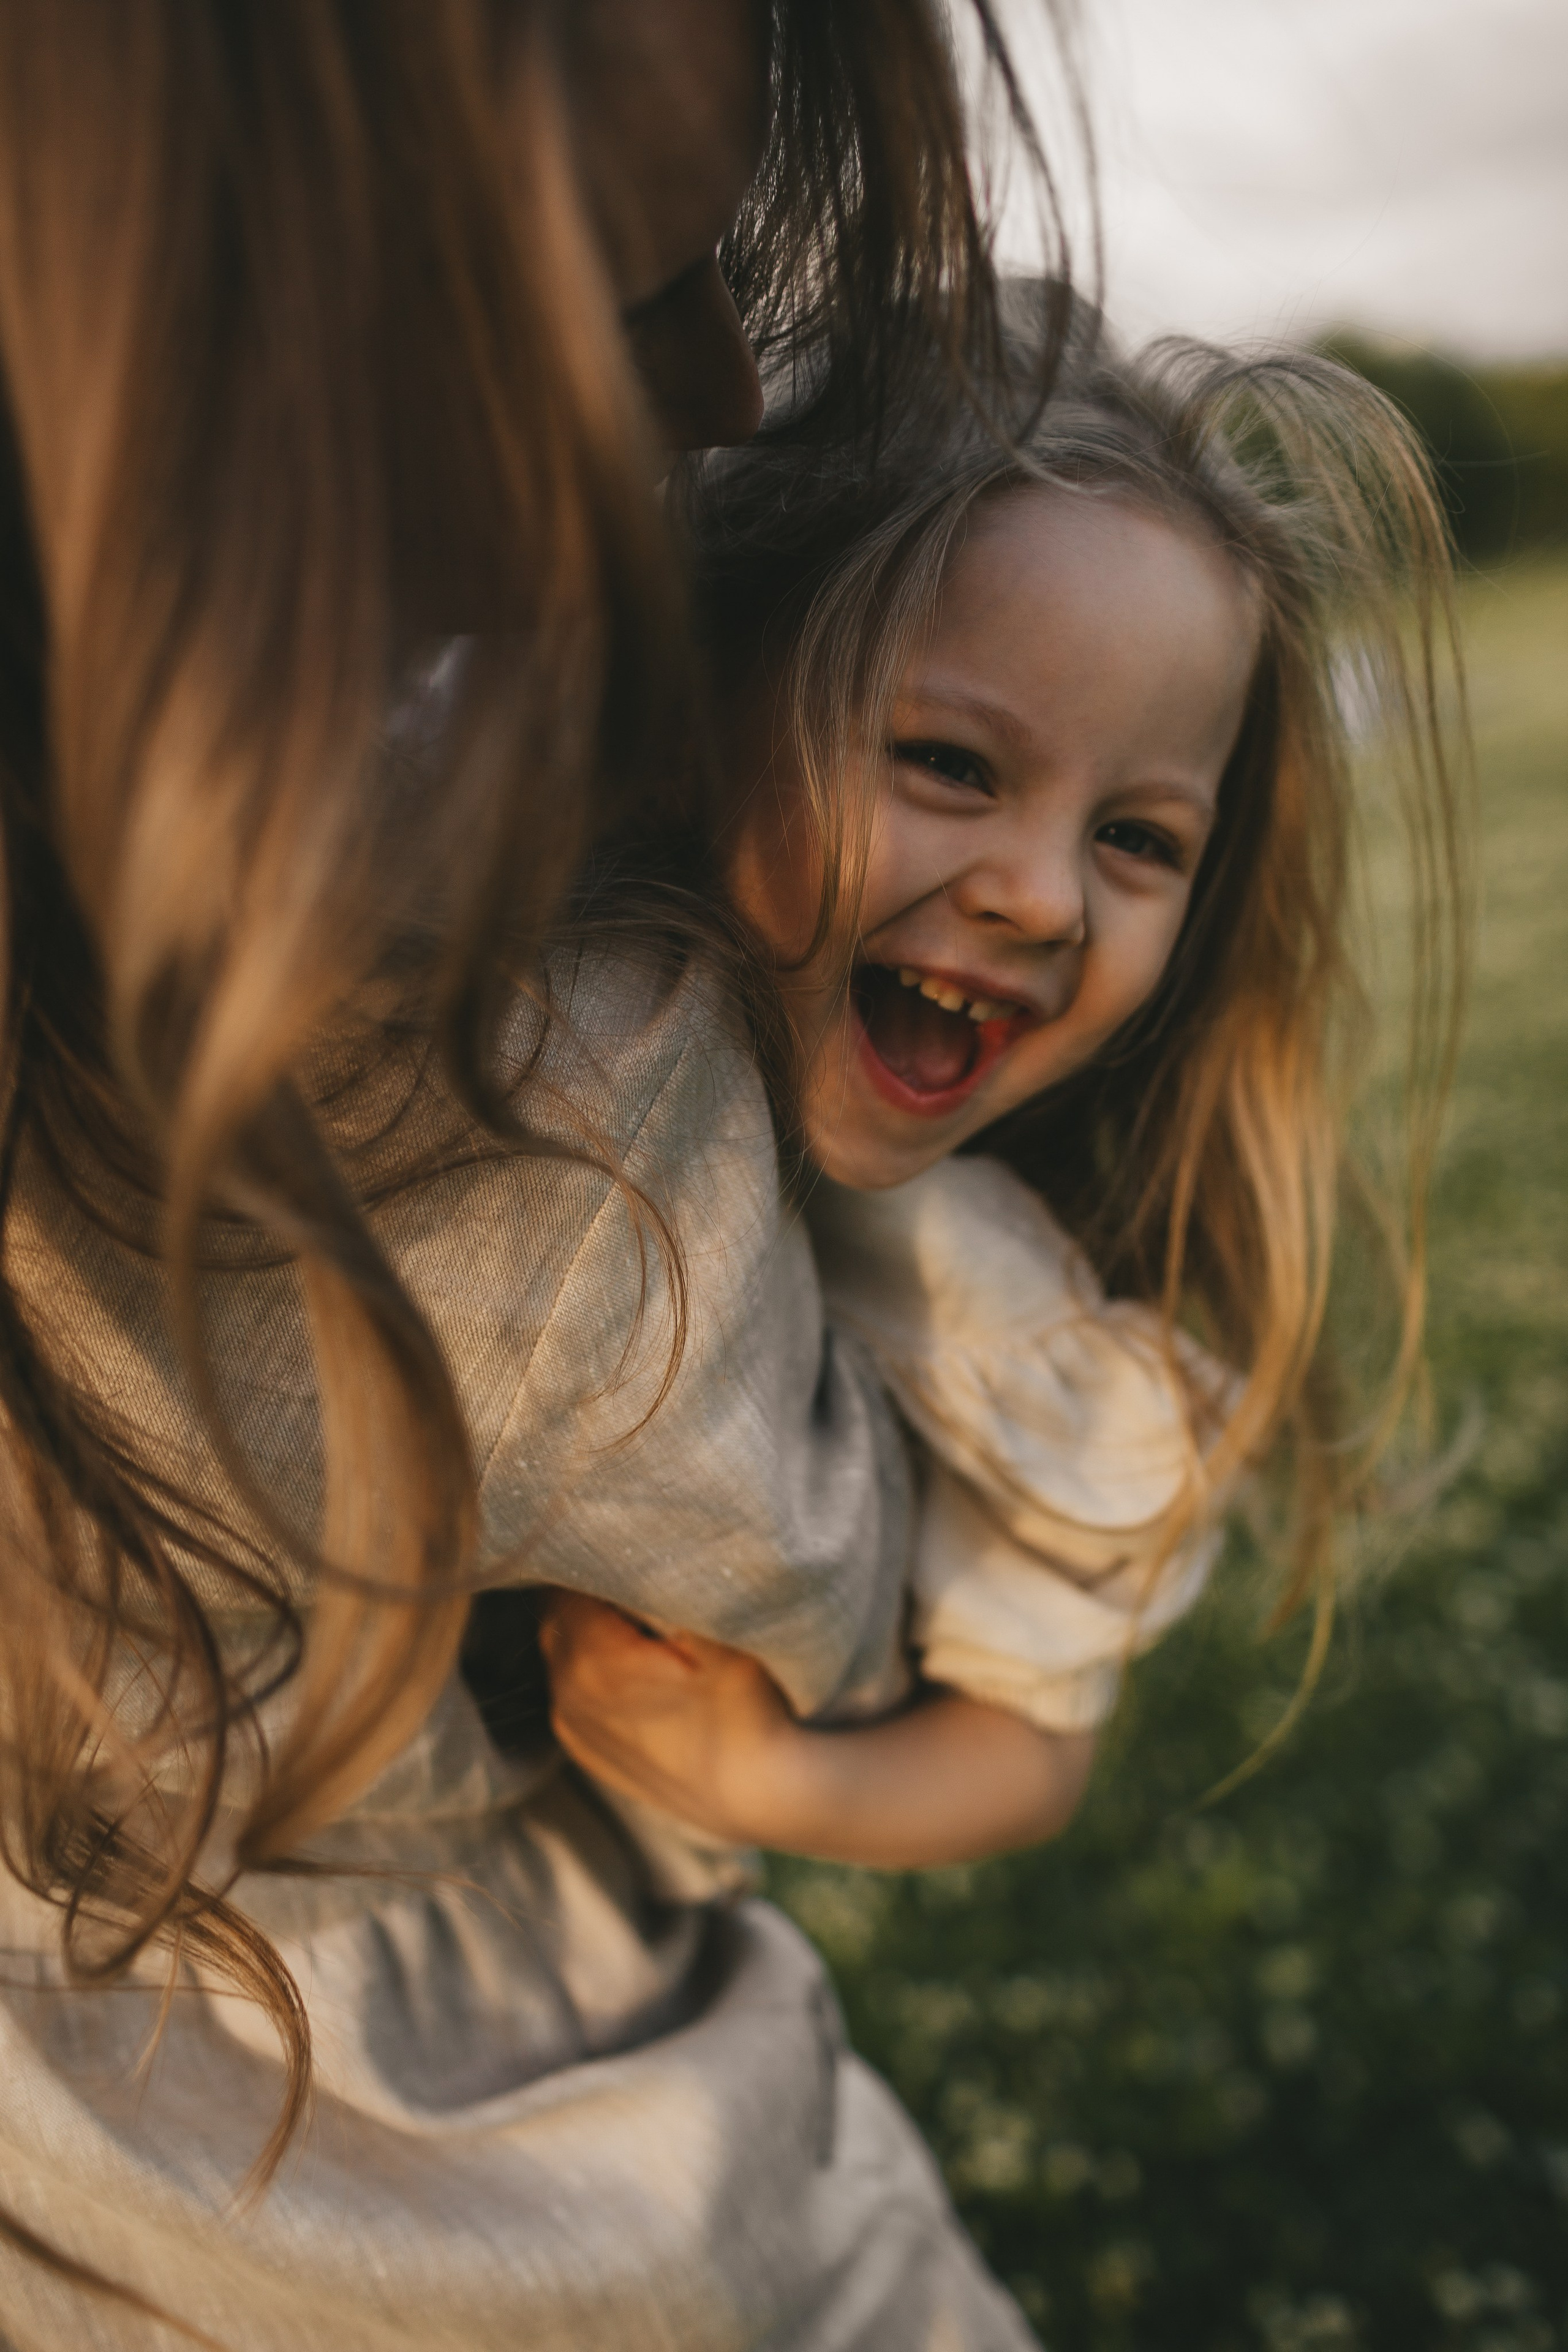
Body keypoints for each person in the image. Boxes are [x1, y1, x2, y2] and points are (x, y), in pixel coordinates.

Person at [0, 6, 1084, 2348]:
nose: (727, 393)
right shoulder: (563, 1091)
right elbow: (797, 1604)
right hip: (493, 2174)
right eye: (617, 296)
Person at [540, 308, 1464, 1890]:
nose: (1044, 900)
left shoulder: (979, 1296)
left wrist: (768, 1777)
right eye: (953, 764)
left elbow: (1032, 1747)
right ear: (704, 708)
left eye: (1139, 839)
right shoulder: (484, 980)